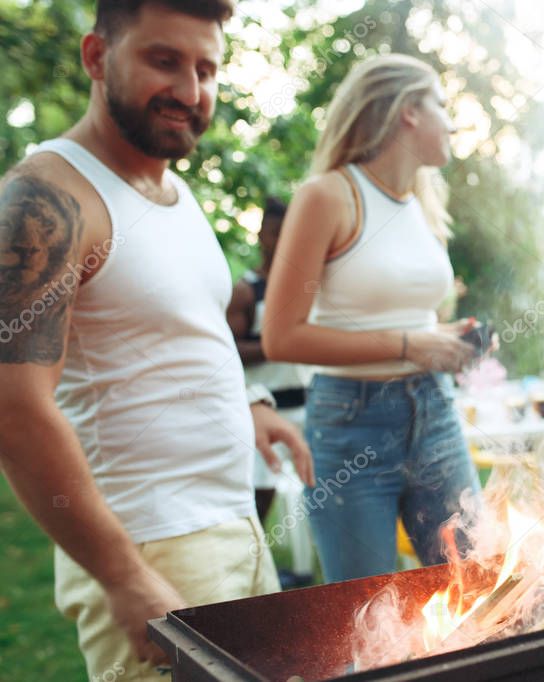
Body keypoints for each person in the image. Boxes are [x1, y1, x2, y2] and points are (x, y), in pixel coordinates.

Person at [0, 2, 313, 679]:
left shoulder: (174, 190)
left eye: (207, 69)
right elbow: (13, 409)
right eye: (163, 61)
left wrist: (250, 404)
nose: (191, 91)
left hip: (235, 528)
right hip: (152, 550)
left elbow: (179, 339)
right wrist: (122, 576)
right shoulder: (45, 198)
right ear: (95, 57)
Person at [262, 54, 483, 583]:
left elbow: (410, 320)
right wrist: (411, 343)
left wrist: (444, 340)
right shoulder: (328, 196)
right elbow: (280, 336)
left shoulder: (424, 203)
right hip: (350, 424)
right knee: (365, 615)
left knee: (477, 589)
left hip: (435, 410)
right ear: (408, 111)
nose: (451, 122)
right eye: (442, 106)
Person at [227, 197, 307, 524]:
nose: (282, 241)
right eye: (275, 232)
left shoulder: (306, 287)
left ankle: (304, 568)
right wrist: (279, 344)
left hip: (307, 405)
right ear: (261, 235)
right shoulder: (247, 291)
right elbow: (228, 351)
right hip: (266, 408)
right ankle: (253, 559)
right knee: (260, 495)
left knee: (320, 487)